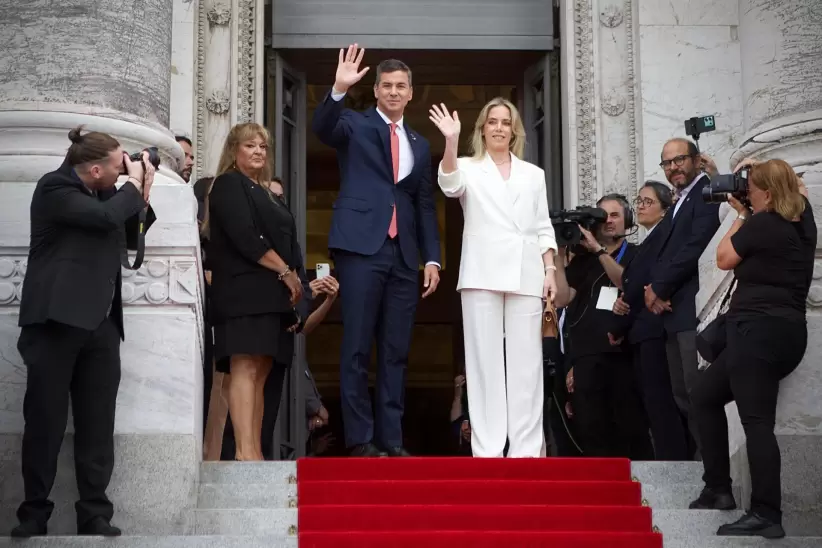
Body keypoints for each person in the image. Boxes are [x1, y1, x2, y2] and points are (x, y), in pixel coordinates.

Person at [12, 127, 156, 537]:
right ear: (94, 169)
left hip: (101, 325)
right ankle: (33, 514)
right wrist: (131, 184)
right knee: (44, 422)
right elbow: (106, 219)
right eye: (116, 165)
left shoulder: (108, 193)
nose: (121, 171)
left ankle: (95, 512)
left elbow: (131, 232)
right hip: (54, 324)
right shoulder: (54, 188)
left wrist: (140, 188)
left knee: (97, 423)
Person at [311, 44, 442, 457]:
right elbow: (322, 129)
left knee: (395, 350)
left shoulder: (420, 143)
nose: (393, 92)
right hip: (360, 248)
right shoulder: (353, 122)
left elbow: (423, 204)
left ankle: (392, 439)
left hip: (403, 254)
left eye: (401, 86)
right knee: (356, 345)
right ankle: (362, 440)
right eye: (386, 85)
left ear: (410, 92)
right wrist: (337, 88)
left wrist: (433, 257)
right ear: (377, 89)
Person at [689, 159, 815, 539]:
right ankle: (718, 488)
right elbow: (801, 193)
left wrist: (741, 215)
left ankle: (766, 513)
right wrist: (765, 173)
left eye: (754, 188)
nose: (750, 193)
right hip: (788, 333)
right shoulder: (803, 222)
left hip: (755, 331)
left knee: (756, 422)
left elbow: (724, 257)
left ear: (769, 194)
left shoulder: (762, 222)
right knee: (705, 396)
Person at [430, 98, 557, 458]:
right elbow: (450, 186)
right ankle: (487, 450)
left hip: (527, 270)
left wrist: (549, 270)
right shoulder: (468, 166)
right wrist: (451, 142)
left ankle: (527, 450)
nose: (499, 127)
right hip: (481, 271)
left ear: (514, 130)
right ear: (482, 128)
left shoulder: (533, 174)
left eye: (506, 122)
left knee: (527, 364)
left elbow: (542, 225)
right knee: (484, 362)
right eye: (492, 122)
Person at [203, 123, 303, 461]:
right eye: (250, 145)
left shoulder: (264, 191)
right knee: (244, 366)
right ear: (234, 150)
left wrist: (293, 276)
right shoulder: (229, 184)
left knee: (260, 370)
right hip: (242, 292)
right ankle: (245, 452)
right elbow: (245, 236)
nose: (258, 151)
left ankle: (255, 450)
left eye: (263, 146)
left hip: (269, 295)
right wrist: (286, 271)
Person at [220, 178, 339, 461]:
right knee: (235, 404)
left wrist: (323, 297)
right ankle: (240, 456)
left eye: (280, 198)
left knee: (264, 410)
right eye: (268, 196)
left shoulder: (289, 244)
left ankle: (254, 456)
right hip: (247, 322)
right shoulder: (242, 233)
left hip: (279, 336)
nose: (275, 203)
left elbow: (303, 322)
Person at [554, 195, 653, 459]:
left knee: (627, 425)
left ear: (627, 220)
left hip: (622, 353)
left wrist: (598, 249)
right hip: (586, 354)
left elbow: (627, 282)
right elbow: (563, 298)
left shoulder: (637, 253)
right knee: (590, 427)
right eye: (603, 216)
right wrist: (559, 258)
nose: (608, 221)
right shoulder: (582, 261)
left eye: (615, 215)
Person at [645, 138, 721, 458]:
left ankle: (713, 470)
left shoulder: (706, 193)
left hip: (690, 309)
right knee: (682, 395)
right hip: (672, 315)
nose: (673, 168)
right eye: (667, 163)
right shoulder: (680, 200)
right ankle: (703, 465)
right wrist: (653, 291)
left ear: (696, 161)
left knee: (696, 392)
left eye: (680, 160)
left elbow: (694, 248)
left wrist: (658, 288)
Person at [611, 181, 689, 460]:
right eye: (639, 201)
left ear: (665, 210)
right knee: (651, 403)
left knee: (661, 402)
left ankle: (675, 461)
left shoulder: (665, 236)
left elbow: (643, 281)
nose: (641, 207)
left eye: (648, 202)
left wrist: (621, 315)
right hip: (640, 331)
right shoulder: (647, 241)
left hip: (655, 329)